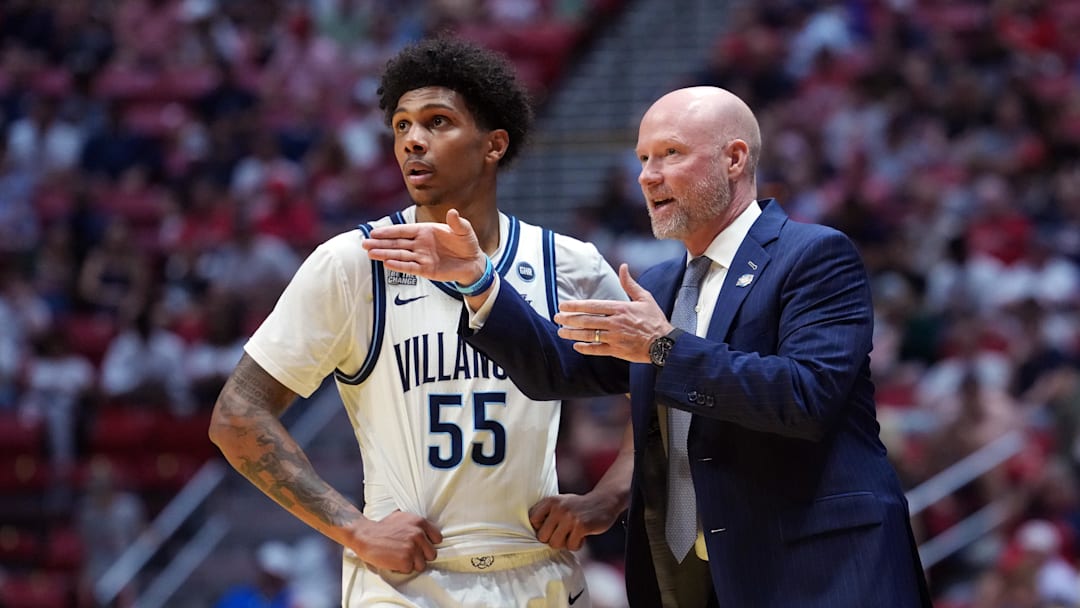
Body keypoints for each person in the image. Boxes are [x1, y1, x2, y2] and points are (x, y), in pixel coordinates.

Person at [363, 86, 932, 607]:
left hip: (822, 570)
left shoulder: (812, 256)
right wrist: (478, 282)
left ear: (734, 160)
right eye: (642, 159)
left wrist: (663, 346)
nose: (648, 176)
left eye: (670, 155)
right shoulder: (659, 284)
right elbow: (556, 369)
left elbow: (805, 398)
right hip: (701, 581)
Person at [209, 37, 634, 607]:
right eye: (402, 125)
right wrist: (355, 528)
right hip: (404, 583)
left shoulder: (569, 264)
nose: (412, 139)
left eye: (437, 122)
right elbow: (237, 413)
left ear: (493, 145)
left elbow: (663, 392)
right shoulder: (353, 263)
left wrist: (609, 497)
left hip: (538, 571)